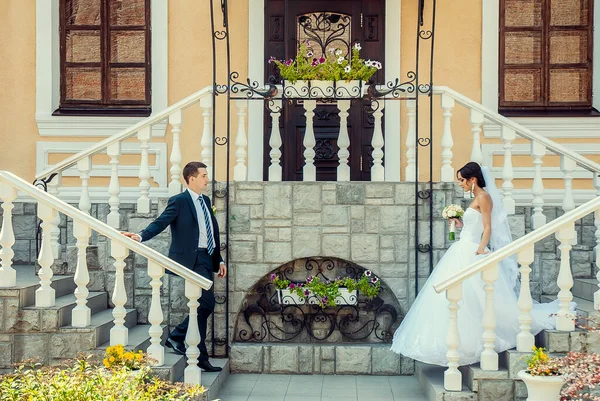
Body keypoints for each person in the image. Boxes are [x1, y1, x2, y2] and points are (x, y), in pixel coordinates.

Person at [390, 161, 563, 366]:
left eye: (462, 180)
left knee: (474, 295)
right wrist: (459, 224)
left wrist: (481, 248)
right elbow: (475, 224)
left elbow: (488, 227)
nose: (460, 184)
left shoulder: (484, 197)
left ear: (473, 179)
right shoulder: (475, 198)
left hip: (473, 249)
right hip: (463, 247)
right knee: (461, 297)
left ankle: (474, 342)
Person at [121, 161, 226, 372]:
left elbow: (212, 232)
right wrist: (140, 236)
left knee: (204, 305)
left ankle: (178, 336)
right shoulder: (179, 201)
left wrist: (220, 259)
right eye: (204, 175)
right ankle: (198, 355)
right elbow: (161, 222)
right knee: (205, 304)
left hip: (207, 258)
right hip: (191, 260)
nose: (207, 179)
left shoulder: (205, 200)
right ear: (192, 178)